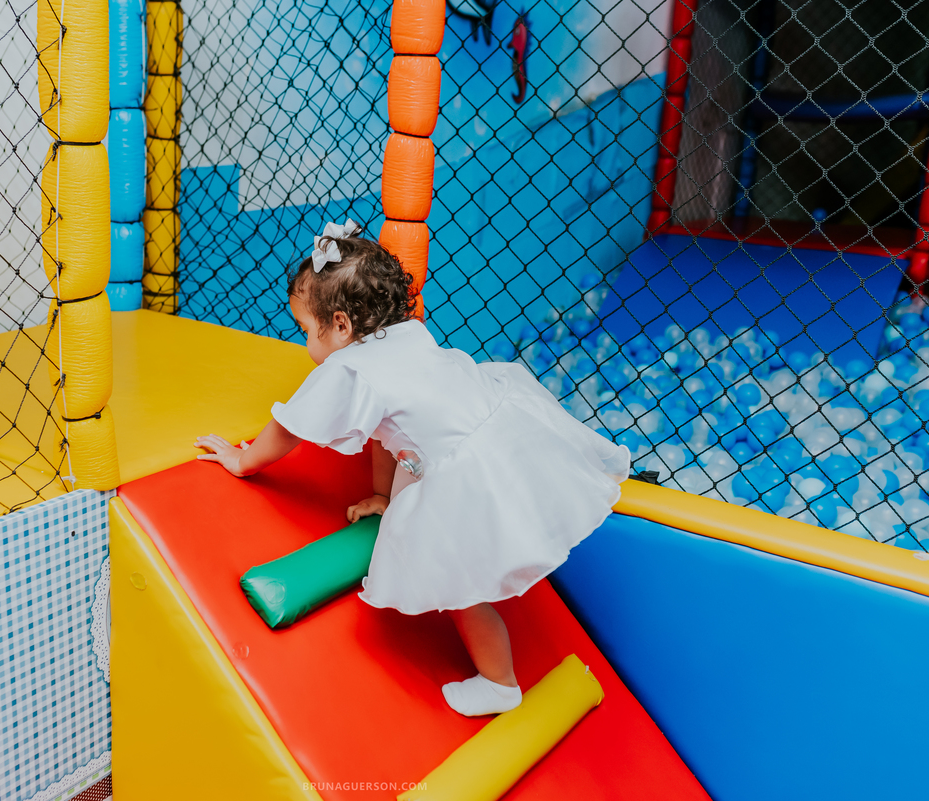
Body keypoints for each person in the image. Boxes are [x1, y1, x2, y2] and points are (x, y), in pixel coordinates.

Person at [195, 219, 628, 716]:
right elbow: (386, 433)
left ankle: (500, 684)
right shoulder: (404, 334)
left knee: (462, 590)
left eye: (305, 332)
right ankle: (498, 673)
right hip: (499, 434)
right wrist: (383, 496)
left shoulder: (346, 368)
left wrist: (243, 461)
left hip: (464, 473)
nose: (306, 347)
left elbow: (289, 427)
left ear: (339, 324)